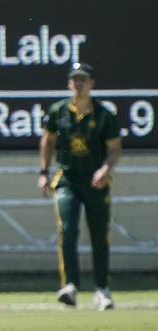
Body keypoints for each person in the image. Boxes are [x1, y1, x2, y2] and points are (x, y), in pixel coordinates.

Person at [38, 62, 122, 311]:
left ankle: (102, 289)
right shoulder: (58, 111)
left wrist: (106, 169)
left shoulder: (104, 113)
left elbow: (115, 149)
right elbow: (47, 141)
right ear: (69, 82)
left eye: (83, 79)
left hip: (96, 179)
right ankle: (70, 287)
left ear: (92, 83)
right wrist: (43, 172)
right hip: (67, 178)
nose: (78, 83)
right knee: (68, 228)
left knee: (99, 233)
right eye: (75, 79)